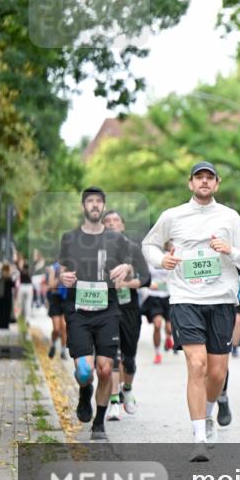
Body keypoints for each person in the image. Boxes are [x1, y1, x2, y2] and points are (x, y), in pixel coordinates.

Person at [141, 161, 240, 461]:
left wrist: (229, 250)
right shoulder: (173, 216)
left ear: (217, 184)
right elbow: (149, 245)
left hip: (221, 300)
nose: (204, 182)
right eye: (199, 178)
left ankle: (208, 413)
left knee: (217, 373)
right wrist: (160, 261)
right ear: (190, 183)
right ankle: (198, 439)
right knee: (197, 365)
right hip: (185, 298)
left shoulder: (230, 218)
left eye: (209, 178)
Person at [58, 187, 142, 441]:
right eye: (90, 201)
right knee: (85, 371)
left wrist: (126, 267)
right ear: (84, 207)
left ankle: (99, 422)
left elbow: (134, 265)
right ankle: (85, 392)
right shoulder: (70, 238)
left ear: (103, 207)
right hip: (79, 311)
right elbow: (61, 269)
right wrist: (63, 276)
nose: (94, 205)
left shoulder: (117, 240)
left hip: (108, 310)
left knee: (106, 369)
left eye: (99, 202)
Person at [102, 210, 150, 419]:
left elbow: (146, 278)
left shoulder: (132, 248)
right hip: (106, 308)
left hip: (129, 308)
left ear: (122, 225)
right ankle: (113, 402)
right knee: (112, 355)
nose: (112, 224)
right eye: (107, 221)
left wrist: (126, 283)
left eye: (116, 220)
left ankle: (127, 390)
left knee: (128, 358)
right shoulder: (97, 249)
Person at [143, 242, 174, 364]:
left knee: (169, 327)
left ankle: (168, 337)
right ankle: (157, 353)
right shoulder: (150, 257)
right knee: (157, 324)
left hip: (169, 296)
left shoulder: (171, 255)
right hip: (154, 296)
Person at [46, 261, 69, 358]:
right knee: (56, 329)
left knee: (64, 327)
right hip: (56, 299)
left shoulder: (70, 266)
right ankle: (53, 344)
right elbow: (51, 285)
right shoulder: (53, 268)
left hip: (66, 299)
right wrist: (60, 276)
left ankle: (63, 351)